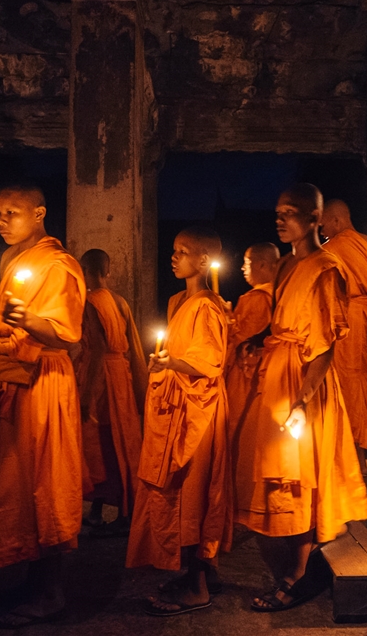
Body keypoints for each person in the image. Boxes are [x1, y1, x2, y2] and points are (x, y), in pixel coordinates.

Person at [239, 183, 367, 612]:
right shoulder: (285, 267)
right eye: (277, 212)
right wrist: (259, 341)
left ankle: (299, 575)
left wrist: (302, 401)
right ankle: (292, 571)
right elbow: (284, 323)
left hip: (303, 386)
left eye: (291, 212)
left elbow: (325, 345)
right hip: (277, 377)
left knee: (297, 479)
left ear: (315, 219)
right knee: (274, 475)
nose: (280, 219)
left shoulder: (326, 268)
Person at [0, 182, 86, 628]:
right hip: (12, 381)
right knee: (16, 485)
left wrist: (27, 321)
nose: (2, 222)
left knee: (46, 483)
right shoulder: (13, 260)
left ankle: (52, 592)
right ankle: (31, 579)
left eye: (12, 213)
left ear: (39, 213)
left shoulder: (60, 265)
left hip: (45, 384)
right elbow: (10, 317)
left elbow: (65, 334)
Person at [126, 226, 233, 617]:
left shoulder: (207, 305)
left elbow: (209, 363)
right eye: (173, 250)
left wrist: (172, 363)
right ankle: (200, 574)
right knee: (179, 493)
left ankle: (197, 587)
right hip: (179, 408)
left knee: (192, 494)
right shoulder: (178, 302)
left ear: (203, 261)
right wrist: (166, 364)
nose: (174, 257)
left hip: (198, 416)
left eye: (183, 251)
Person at [76, 249, 147, 537]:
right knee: (122, 441)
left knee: (101, 443)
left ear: (84, 270)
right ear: (107, 271)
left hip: (101, 378)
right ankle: (118, 510)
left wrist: (85, 396)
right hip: (122, 376)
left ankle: (106, 511)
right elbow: (134, 345)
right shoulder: (120, 301)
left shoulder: (90, 302)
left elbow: (98, 351)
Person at [320, 199, 367, 471]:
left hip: (349, 323)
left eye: (324, 224)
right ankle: (358, 454)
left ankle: (355, 458)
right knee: (365, 388)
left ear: (337, 221)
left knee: (350, 388)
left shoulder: (332, 249)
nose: (322, 230)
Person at [226, 243, 278, 514]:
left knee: (238, 431)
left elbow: (241, 334)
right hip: (259, 367)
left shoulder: (260, 298)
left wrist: (226, 324)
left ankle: (241, 499)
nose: (243, 268)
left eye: (247, 263)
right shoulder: (274, 293)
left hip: (248, 371)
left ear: (262, 265)